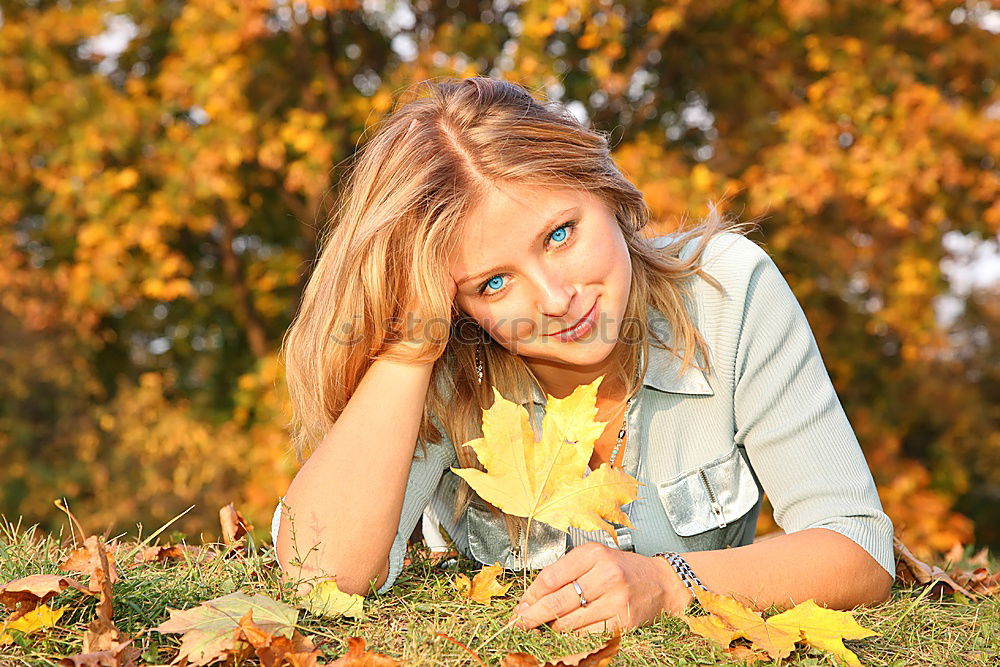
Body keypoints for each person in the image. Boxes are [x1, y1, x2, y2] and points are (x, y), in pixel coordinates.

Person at [272, 76, 894, 634]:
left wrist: (669, 584)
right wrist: (410, 348)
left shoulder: (729, 294)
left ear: (605, 192)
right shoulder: (447, 355)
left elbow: (857, 548)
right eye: (493, 282)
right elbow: (318, 575)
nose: (556, 300)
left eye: (560, 235)